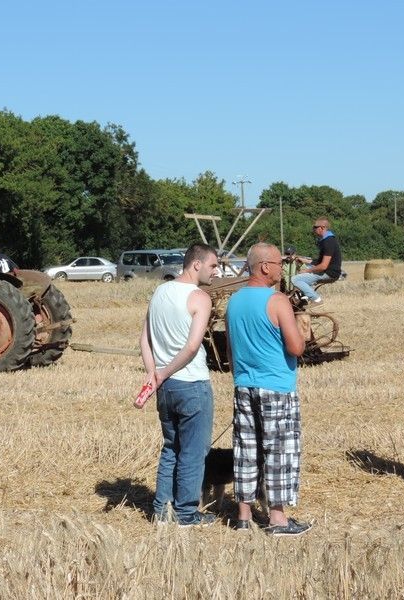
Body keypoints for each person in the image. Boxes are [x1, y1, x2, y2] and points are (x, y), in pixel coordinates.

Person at [225, 242, 310, 536]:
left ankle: (244, 517)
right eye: (277, 264)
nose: (280, 270)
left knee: (246, 449)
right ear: (264, 267)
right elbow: (296, 347)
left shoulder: (233, 302)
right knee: (279, 452)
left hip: (244, 384)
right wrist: (302, 330)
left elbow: (230, 350)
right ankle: (277, 520)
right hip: (276, 386)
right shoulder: (277, 301)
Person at [138, 243, 220, 526]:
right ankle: (186, 513)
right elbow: (191, 348)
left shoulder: (160, 291)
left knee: (171, 447)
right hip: (191, 383)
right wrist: (163, 372)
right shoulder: (199, 297)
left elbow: (144, 339)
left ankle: (161, 510)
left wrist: (154, 373)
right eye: (213, 265)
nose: (216, 271)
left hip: (166, 387)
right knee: (193, 453)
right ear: (196, 264)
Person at [291, 217, 342, 305]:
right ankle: (305, 297)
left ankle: (316, 300)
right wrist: (305, 260)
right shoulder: (326, 240)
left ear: (322, 227)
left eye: (315, 227)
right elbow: (319, 261)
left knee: (295, 279)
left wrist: (307, 270)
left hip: (329, 273)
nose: (313, 229)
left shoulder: (328, 242)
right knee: (302, 272)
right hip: (328, 271)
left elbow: (323, 266)